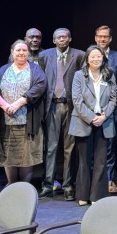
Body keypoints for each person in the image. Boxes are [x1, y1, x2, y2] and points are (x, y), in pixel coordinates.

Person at [0, 39, 47, 184]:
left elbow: (40, 86)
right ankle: (11, 186)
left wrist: (18, 103)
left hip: (27, 121)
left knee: (26, 156)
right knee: (8, 155)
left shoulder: (35, 70)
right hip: (6, 121)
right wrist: (4, 105)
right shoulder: (3, 70)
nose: (21, 53)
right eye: (18, 50)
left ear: (28, 52)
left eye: (24, 50)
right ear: (12, 52)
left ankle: (24, 188)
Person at [38, 28, 85, 200]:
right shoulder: (45, 56)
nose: (62, 39)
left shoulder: (79, 55)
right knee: (50, 148)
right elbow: (41, 80)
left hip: (71, 107)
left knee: (69, 148)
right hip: (51, 105)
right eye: (59, 37)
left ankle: (67, 185)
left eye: (65, 37)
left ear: (70, 39)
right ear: (53, 40)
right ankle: (48, 184)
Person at [68, 45, 117, 205]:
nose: (96, 59)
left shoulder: (109, 75)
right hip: (84, 122)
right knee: (83, 160)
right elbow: (77, 100)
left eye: (99, 56)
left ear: (103, 58)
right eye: (93, 56)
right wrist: (91, 117)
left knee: (101, 161)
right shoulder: (79, 75)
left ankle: (97, 196)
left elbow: (113, 98)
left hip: (104, 122)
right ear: (87, 59)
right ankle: (82, 195)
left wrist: (103, 116)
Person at [95, 25, 117, 194]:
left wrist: (109, 102)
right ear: (95, 38)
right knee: (93, 146)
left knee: (110, 145)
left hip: (113, 108)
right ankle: (95, 181)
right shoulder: (89, 55)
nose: (103, 39)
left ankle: (110, 180)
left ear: (110, 39)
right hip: (92, 109)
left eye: (106, 36)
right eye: (100, 36)